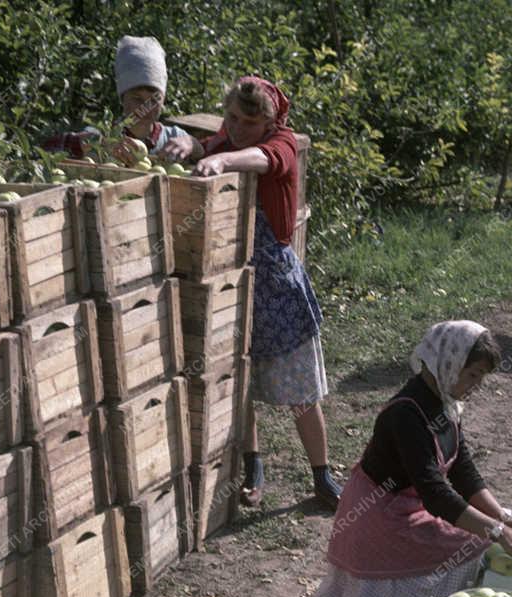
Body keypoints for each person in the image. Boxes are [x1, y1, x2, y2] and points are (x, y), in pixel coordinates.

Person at [179, 76, 341, 512]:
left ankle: (323, 476)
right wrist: (192, 150)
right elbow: (209, 147)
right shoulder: (226, 139)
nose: (237, 129)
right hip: (231, 279)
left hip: (274, 283)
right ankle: (253, 468)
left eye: (249, 123)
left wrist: (225, 159)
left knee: (300, 387)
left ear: (268, 123)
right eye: (231, 118)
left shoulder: (281, 143)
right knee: (240, 379)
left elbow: (265, 159)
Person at [311, 321, 512, 597]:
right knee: (481, 544)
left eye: (481, 378)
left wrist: (500, 516)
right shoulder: (405, 414)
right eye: (472, 375)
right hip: (379, 518)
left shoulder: (446, 402)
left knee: (490, 533)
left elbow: (462, 469)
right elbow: (435, 493)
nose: (476, 386)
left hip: (409, 506)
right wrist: (498, 531)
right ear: (448, 363)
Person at [43, 36, 188, 163]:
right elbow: (46, 149)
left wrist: (192, 144)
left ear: (164, 99)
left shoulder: (174, 137)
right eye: (137, 98)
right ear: (122, 98)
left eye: (154, 99)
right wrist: (91, 144)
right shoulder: (103, 137)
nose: (145, 107)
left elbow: (205, 150)